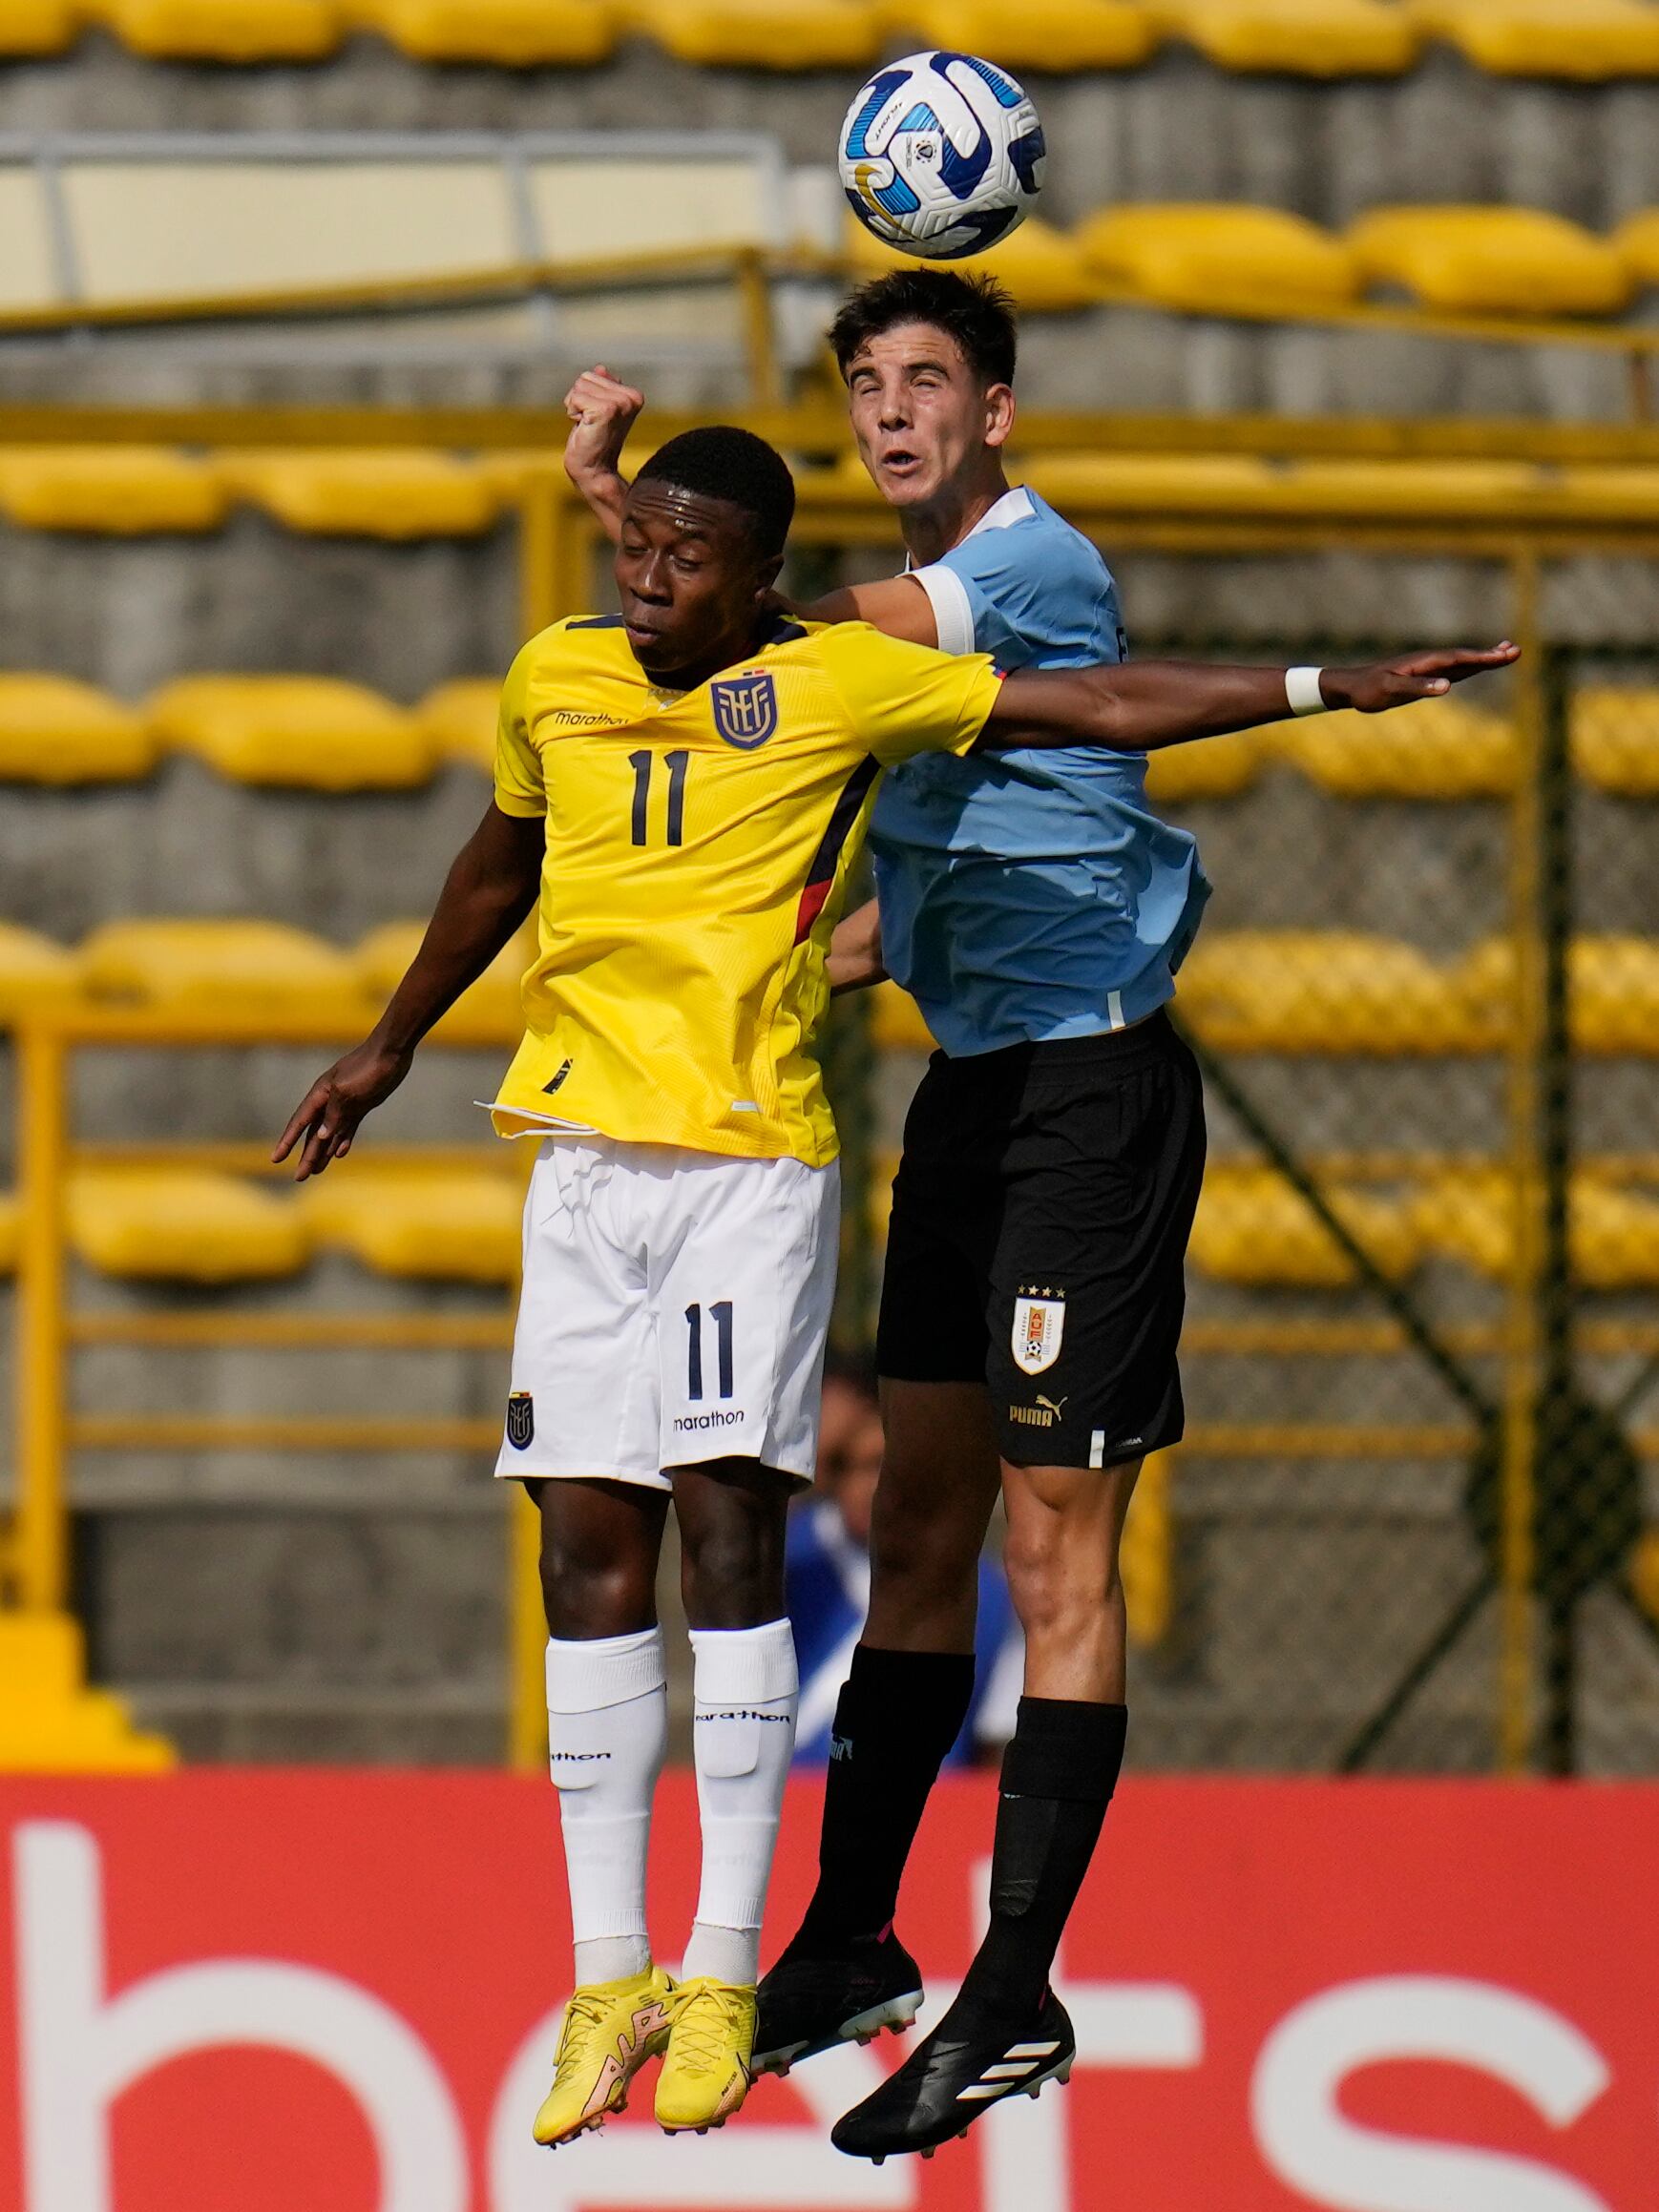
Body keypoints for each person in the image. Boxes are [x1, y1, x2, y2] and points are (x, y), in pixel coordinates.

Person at [562, 277, 1520, 2160]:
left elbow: (776, 640)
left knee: (1047, 1541)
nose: (892, 410)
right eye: (864, 384)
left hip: (1091, 1096)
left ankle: (1013, 1989)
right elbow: (812, 719)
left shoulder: (1019, 569)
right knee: (910, 1520)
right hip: (974, 1088)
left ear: (995, 411)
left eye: (926, 380)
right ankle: (850, 1938)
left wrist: (622, 517)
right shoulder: (896, 610)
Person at [788, 1353, 1019, 1765]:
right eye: (863, 1466)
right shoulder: (789, 1560)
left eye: (891, 1467)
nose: (877, 1486)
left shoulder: (988, 1594)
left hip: (937, 1813)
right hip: (798, 1805)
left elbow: (993, 1746)